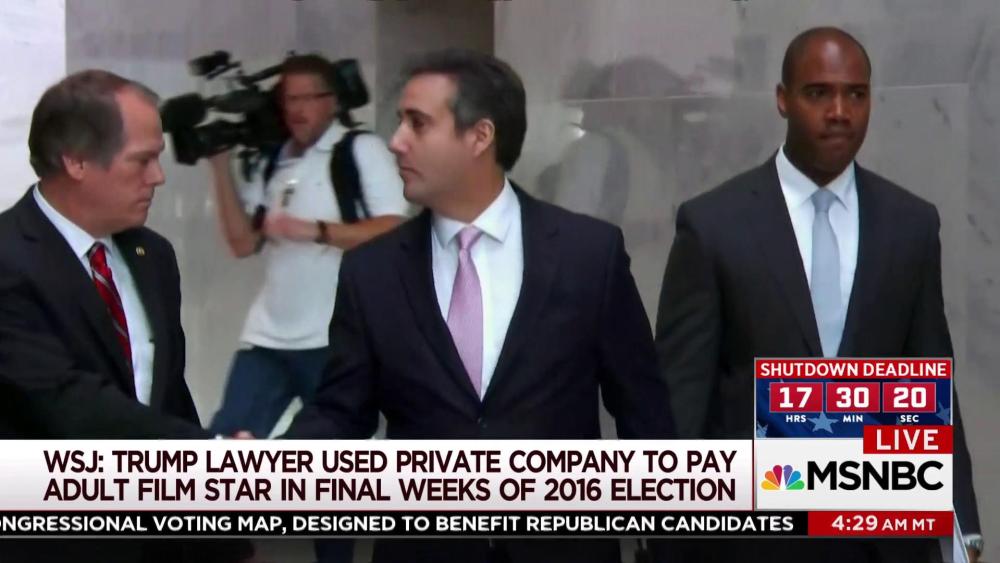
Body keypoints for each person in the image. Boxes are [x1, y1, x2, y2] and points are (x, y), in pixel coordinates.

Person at [286, 49, 674, 563]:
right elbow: (340, 413)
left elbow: (643, 409)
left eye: (418, 123)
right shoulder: (371, 271)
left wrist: (665, 538)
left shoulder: (588, 254)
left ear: (480, 136)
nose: (396, 141)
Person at [654, 27, 982, 563]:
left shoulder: (911, 225)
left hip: (883, 538)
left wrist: (962, 529)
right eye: (818, 93)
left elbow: (931, 379)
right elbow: (681, 400)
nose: (839, 112)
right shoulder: (714, 226)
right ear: (783, 100)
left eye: (856, 94)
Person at [0, 70, 253, 562]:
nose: (158, 177)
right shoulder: (7, 260)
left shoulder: (152, 256)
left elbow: (168, 398)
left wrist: (225, 540)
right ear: (76, 160)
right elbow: (68, 405)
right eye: (142, 160)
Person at [207, 54, 407, 440]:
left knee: (332, 451)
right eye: (289, 99)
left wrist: (315, 230)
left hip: (333, 340)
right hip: (268, 336)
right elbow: (242, 243)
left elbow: (394, 229)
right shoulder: (273, 159)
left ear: (332, 101)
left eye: (308, 98)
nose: (297, 109)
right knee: (225, 442)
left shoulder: (359, 149)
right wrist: (219, 167)